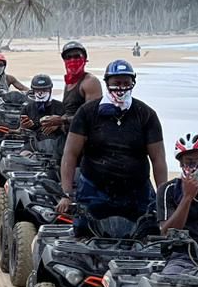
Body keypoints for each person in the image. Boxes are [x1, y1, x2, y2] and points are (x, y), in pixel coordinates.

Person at [58, 59, 167, 230]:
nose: (121, 87)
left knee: (148, 237)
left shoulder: (146, 114)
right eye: (116, 83)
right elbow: (70, 154)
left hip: (137, 193)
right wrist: (66, 194)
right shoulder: (87, 113)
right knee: (84, 236)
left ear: (133, 83)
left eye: (126, 82)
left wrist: (163, 200)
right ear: (107, 82)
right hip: (94, 191)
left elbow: (158, 159)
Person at [58, 40, 102, 128]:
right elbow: (69, 111)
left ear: (84, 59)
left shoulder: (90, 82)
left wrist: (61, 120)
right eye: (68, 57)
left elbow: (92, 117)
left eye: (77, 56)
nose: (72, 60)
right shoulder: (69, 83)